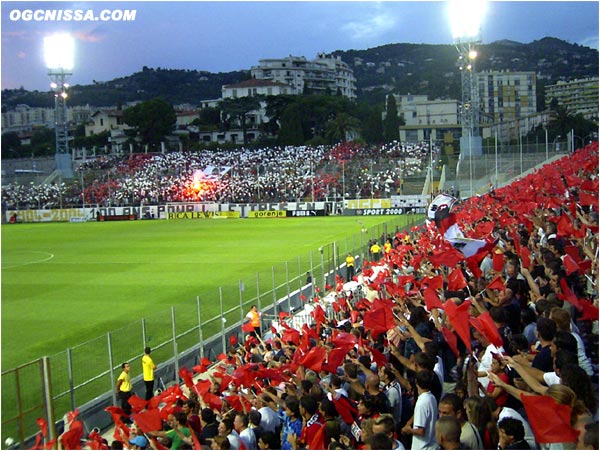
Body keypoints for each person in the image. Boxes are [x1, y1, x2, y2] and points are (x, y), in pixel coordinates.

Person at [401, 370, 437, 450]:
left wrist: (408, 430)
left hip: (423, 447)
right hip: (432, 445)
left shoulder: (421, 403)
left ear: (416, 382)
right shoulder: (432, 397)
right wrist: (409, 422)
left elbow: (421, 431)